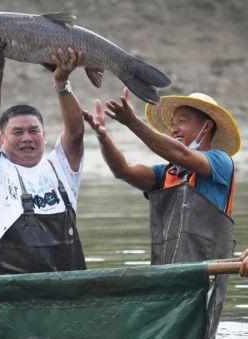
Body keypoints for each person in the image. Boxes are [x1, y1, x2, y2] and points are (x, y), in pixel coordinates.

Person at [83, 88, 241, 338]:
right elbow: (123, 170)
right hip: (166, 277)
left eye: (182, 122)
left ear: (206, 126)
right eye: (172, 124)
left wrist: (133, 122)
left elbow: (179, 153)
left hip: (204, 279)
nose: (174, 129)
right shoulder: (168, 172)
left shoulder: (221, 161)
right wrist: (103, 137)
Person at [0, 38, 88, 274]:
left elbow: (76, 131)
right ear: (1, 139)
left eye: (33, 131)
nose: (27, 137)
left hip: (72, 295)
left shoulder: (60, 167)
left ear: (44, 135)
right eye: (17, 132)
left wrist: (62, 82)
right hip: (17, 298)